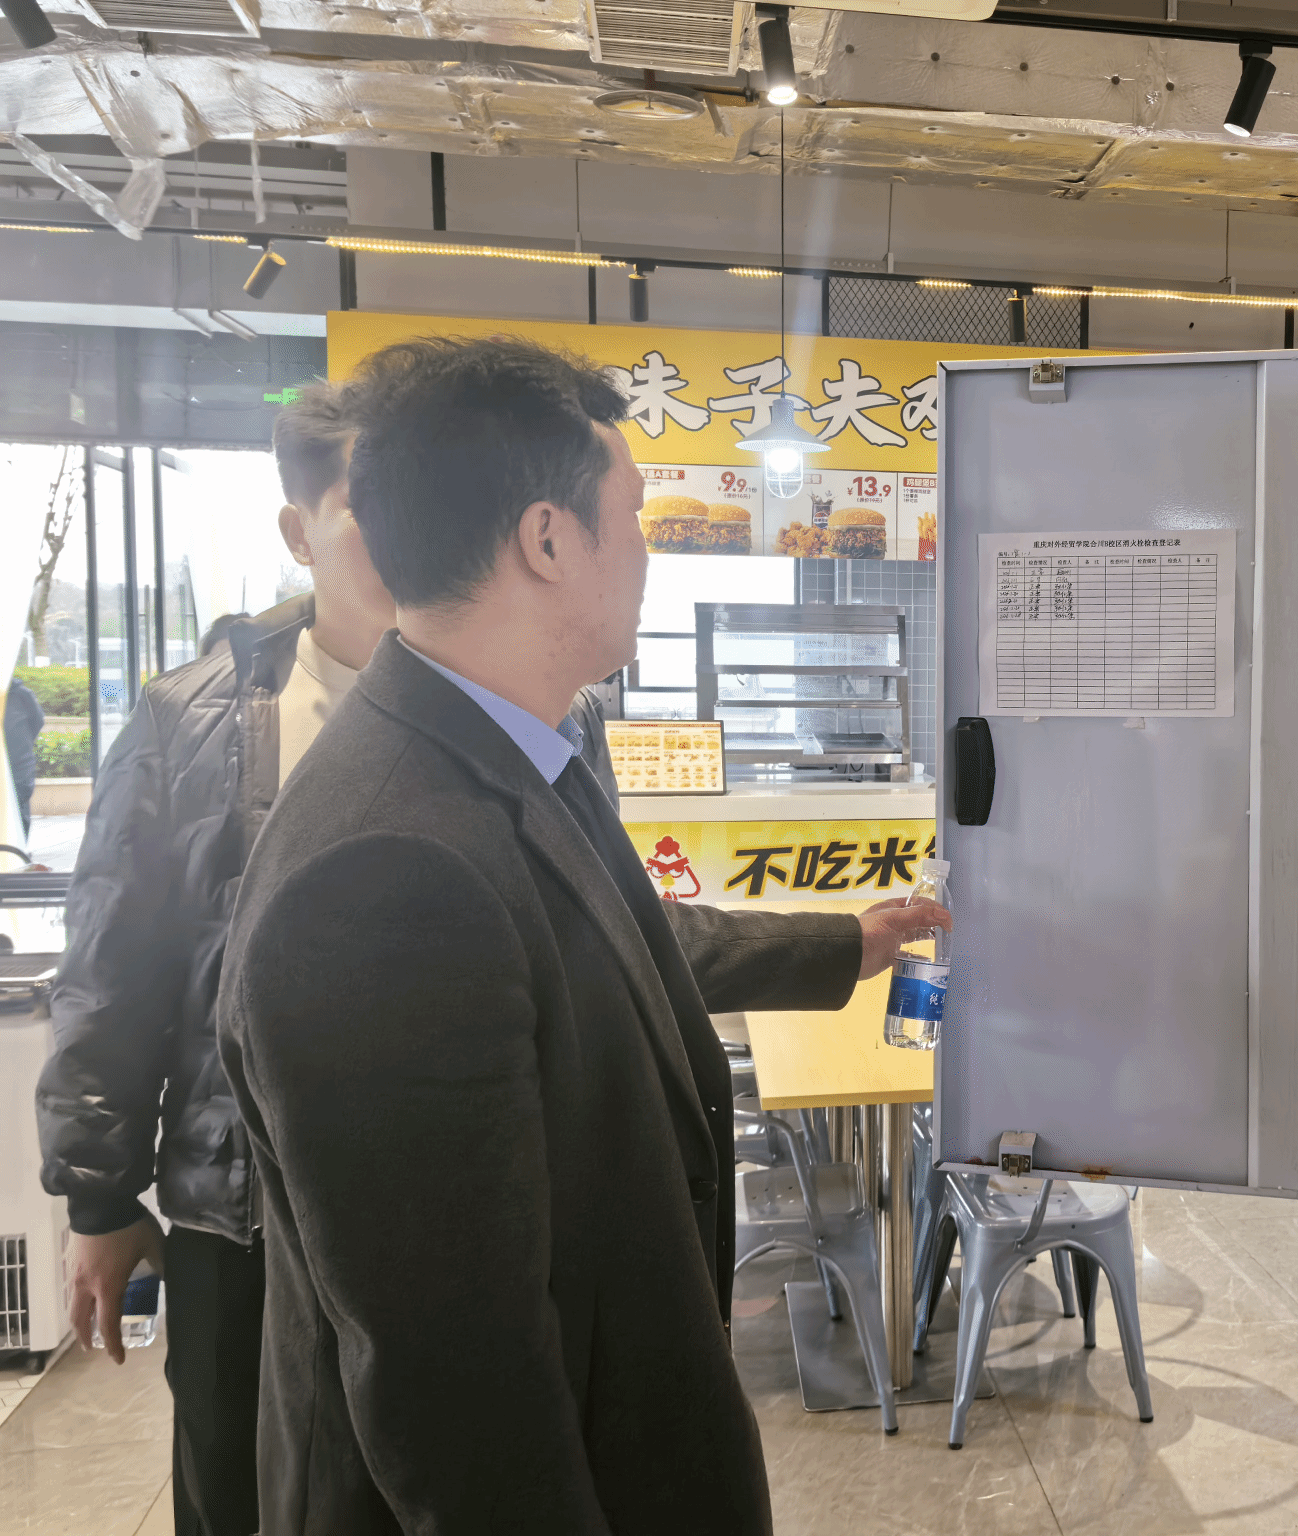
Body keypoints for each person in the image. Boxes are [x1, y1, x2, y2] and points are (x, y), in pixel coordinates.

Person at [215, 336, 947, 1534]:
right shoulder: (383, 873)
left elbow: (619, 942)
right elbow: (458, 1389)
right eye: (636, 515)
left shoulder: (504, 750)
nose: (649, 551)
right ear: (547, 541)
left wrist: (844, 946)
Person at [35, 381, 620, 1536]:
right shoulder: (192, 721)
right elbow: (117, 964)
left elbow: (594, 938)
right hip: (248, 1215)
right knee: (246, 1493)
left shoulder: (549, 708)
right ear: (299, 530)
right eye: (369, 502)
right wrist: (99, 1195)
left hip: (474, 1202)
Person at [4, 673, 42, 834]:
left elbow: (37, 722)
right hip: (19, 768)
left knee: (18, 822)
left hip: (18, 771)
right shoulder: (21, 694)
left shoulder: (20, 695)